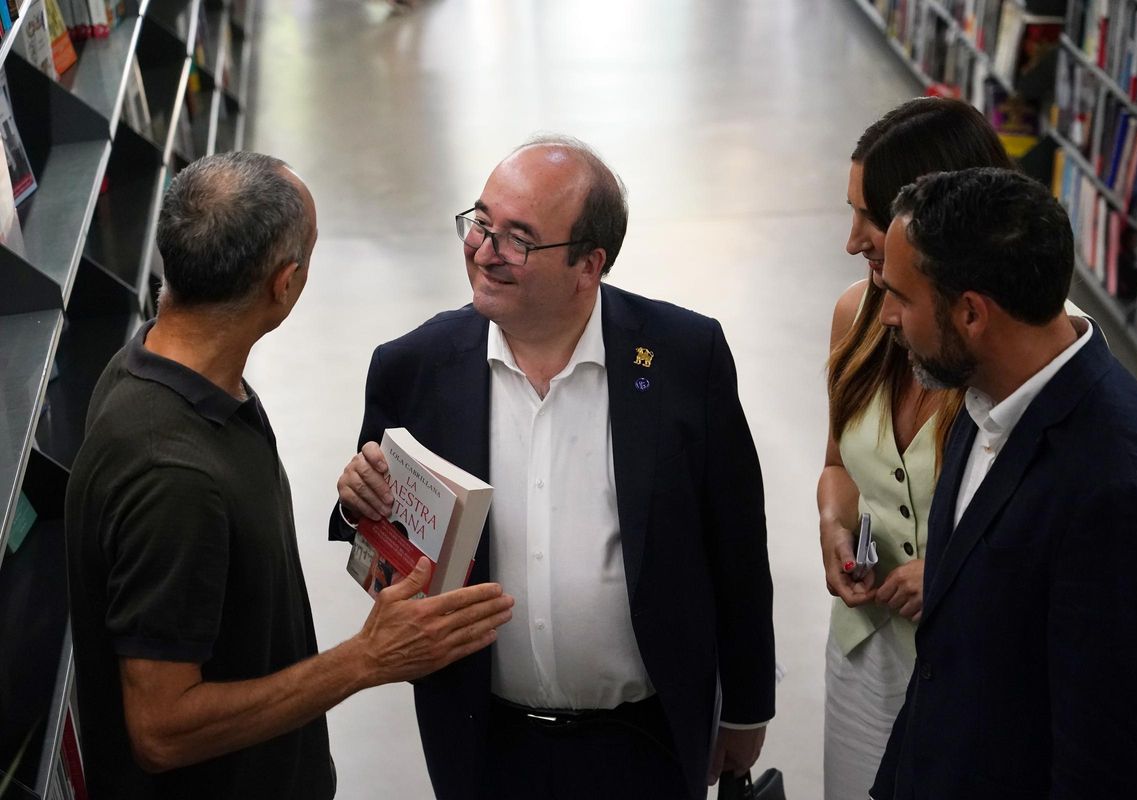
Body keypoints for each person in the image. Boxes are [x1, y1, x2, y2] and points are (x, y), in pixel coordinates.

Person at [332, 135, 775, 800]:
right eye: (480, 221)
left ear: (588, 265)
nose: (484, 250)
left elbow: (737, 545)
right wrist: (357, 503)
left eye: (518, 237)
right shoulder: (414, 366)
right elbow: (378, 546)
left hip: (645, 742)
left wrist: (745, 706)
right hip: (486, 744)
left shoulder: (685, 357)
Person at [64, 152, 514, 800]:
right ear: (284, 284)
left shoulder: (162, 369)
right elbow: (160, 731)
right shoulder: (176, 478)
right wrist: (366, 659)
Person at [870, 167, 1137, 799]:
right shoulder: (981, 394)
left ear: (971, 313)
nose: (886, 315)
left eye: (903, 298)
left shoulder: (1121, 491)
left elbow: (1107, 766)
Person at [818, 97, 1014, 800]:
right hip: (866, 647)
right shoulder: (858, 314)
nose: (853, 240)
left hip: (975, 665)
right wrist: (833, 522)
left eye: (869, 217)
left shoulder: (1024, 349)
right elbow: (841, 461)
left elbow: (1060, 532)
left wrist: (955, 575)